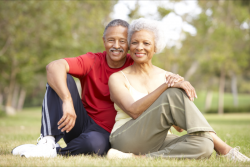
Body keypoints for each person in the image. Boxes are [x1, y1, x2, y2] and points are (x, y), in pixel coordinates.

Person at [11, 19, 185, 158]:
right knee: (60, 76)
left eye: (122, 41)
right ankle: (47, 141)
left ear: (130, 44)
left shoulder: (136, 66)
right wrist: (67, 101)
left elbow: (155, 84)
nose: (116, 45)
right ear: (104, 41)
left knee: (94, 146)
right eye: (111, 40)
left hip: (109, 132)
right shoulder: (93, 60)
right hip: (78, 122)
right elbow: (53, 66)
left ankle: (54, 152)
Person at [107, 18, 250, 162]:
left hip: (160, 139)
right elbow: (134, 110)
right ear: (129, 46)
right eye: (134, 42)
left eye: (146, 43)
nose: (139, 47)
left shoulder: (167, 76)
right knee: (172, 93)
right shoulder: (117, 78)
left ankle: (137, 158)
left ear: (156, 47)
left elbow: (179, 128)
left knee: (205, 144)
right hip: (126, 138)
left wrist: (180, 95)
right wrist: (166, 87)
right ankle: (225, 149)